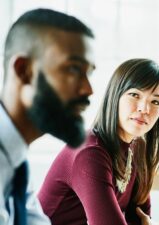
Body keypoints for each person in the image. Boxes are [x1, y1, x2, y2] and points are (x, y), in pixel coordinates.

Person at [38, 58, 159, 225]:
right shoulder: (90, 152)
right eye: (135, 95)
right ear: (115, 96)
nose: (144, 108)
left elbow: (140, 217)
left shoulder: (137, 149)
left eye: (155, 101)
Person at [0, 8, 95, 225]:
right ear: (24, 71)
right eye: (73, 69)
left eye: (89, 72)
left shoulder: (16, 164)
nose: (88, 89)